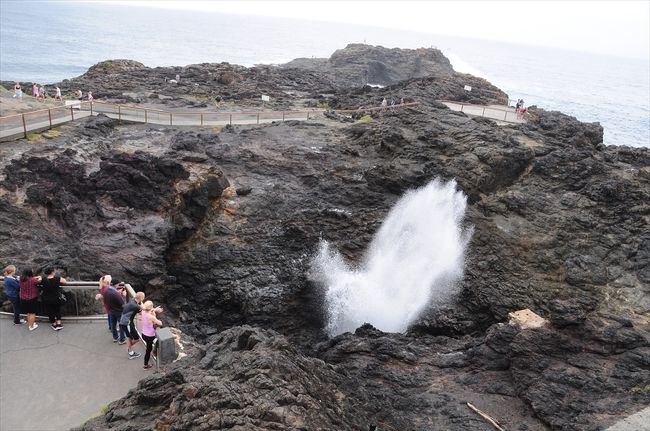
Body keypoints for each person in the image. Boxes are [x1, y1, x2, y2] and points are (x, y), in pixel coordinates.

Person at [119, 289, 144, 360]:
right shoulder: (136, 306)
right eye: (143, 298)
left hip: (125, 322)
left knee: (128, 337)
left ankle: (130, 351)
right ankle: (130, 351)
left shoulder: (132, 300)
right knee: (136, 338)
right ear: (141, 298)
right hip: (127, 324)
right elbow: (143, 312)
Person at [141, 300, 163, 370]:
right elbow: (160, 323)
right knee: (148, 349)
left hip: (143, 334)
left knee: (149, 347)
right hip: (150, 336)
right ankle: (145, 365)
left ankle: (153, 352)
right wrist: (154, 315)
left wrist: (154, 309)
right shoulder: (151, 316)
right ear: (151, 307)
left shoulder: (143, 312)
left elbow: (148, 310)